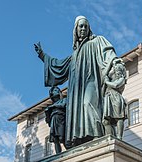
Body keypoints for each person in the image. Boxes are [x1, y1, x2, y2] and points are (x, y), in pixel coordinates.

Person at [34, 16, 119, 148]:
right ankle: (79, 139)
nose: (83, 28)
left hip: (91, 82)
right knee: (76, 111)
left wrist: (116, 63)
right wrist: (43, 56)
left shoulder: (97, 41)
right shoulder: (74, 55)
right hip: (76, 90)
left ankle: (97, 135)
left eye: (86, 26)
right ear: (76, 30)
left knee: (88, 103)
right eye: (81, 26)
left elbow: (108, 53)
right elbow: (58, 65)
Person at [103, 58, 127, 140]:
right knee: (105, 121)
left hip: (116, 97)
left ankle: (119, 137)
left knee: (119, 117)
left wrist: (106, 81)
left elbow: (115, 85)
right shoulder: (111, 78)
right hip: (108, 97)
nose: (117, 73)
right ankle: (110, 137)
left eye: (118, 71)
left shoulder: (122, 79)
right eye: (115, 71)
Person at [45, 86, 67, 154]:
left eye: (57, 90)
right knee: (55, 138)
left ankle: (68, 149)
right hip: (53, 120)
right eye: (54, 90)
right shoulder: (52, 105)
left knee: (62, 136)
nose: (55, 91)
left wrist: (53, 106)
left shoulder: (64, 100)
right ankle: (58, 153)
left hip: (61, 119)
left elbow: (63, 105)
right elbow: (48, 118)